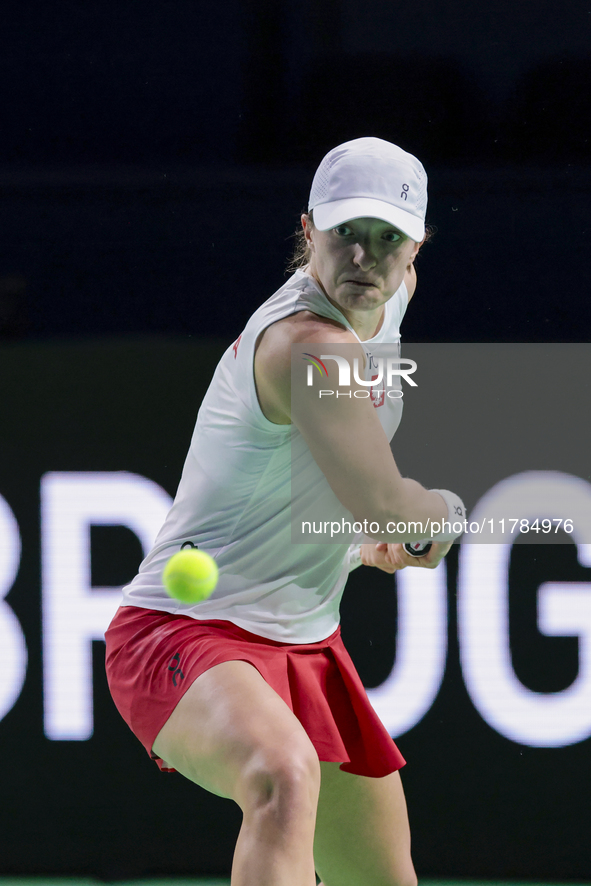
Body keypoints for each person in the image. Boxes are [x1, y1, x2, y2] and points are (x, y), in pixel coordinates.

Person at [105, 137, 465, 886]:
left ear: (416, 245)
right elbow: (397, 510)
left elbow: (338, 492)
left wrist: (350, 542)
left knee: (381, 877)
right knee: (281, 775)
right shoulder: (304, 347)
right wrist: (442, 515)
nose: (363, 258)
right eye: (344, 236)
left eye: (386, 238)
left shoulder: (391, 294)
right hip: (184, 633)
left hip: (307, 643)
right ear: (308, 231)